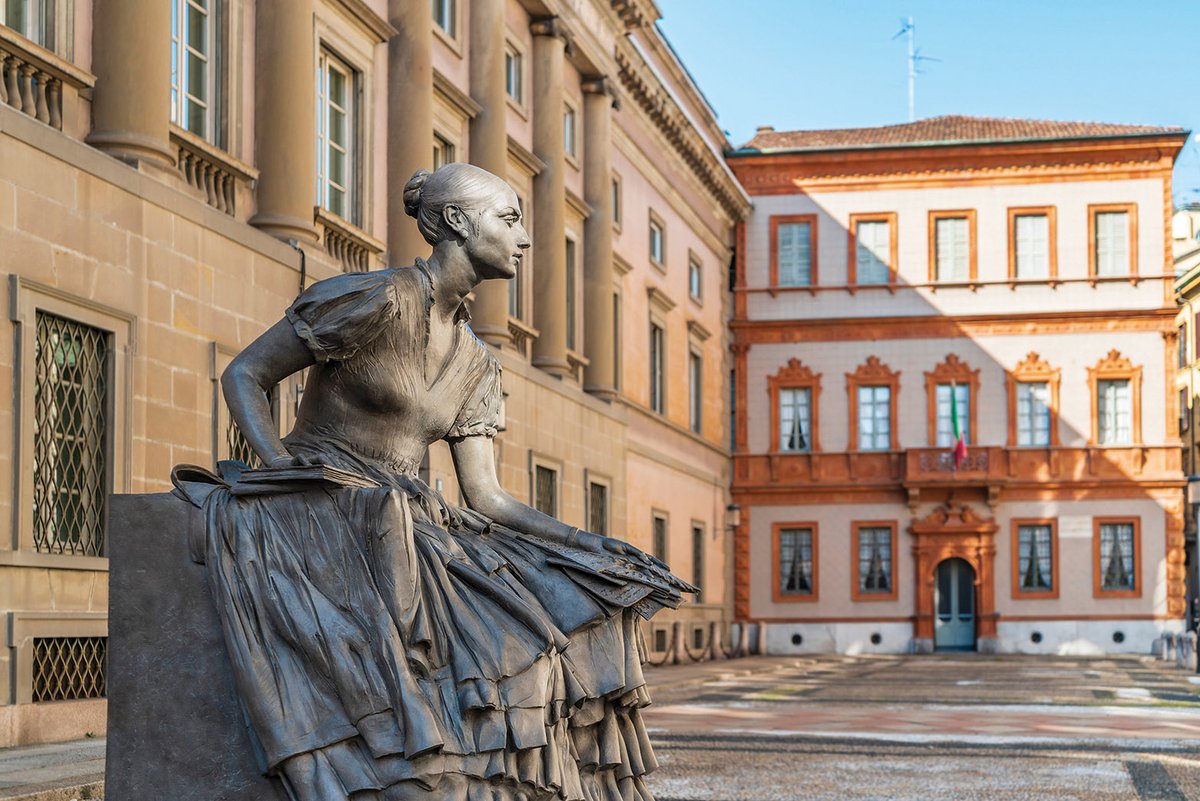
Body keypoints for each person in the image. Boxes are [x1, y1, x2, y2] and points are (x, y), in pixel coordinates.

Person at [173, 163, 692, 801]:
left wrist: (590, 546)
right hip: (323, 501)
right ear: (455, 222)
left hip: (410, 515)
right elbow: (246, 375)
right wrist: (276, 463)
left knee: (563, 627)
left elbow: (488, 499)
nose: (524, 238)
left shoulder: (477, 360)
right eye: (509, 219)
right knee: (490, 639)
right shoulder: (373, 298)